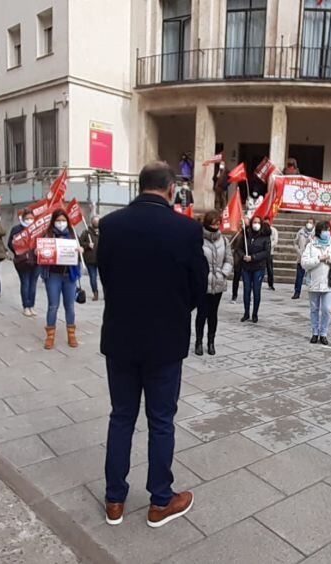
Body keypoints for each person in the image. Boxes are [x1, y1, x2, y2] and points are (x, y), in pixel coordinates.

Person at [97, 161, 207, 529]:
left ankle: (115, 500)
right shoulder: (186, 229)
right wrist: (174, 310)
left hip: (121, 337)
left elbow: (106, 275)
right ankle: (160, 500)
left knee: (121, 417)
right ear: (171, 188)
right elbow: (198, 284)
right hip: (164, 340)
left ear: (140, 186)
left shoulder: (111, 226)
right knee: (161, 421)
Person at [40, 209, 82, 349]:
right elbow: (40, 254)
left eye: (63, 220)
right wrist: (38, 252)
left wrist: (79, 250)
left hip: (69, 275)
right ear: (53, 221)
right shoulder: (47, 235)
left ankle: (71, 335)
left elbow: (79, 255)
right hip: (52, 275)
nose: (61, 223)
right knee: (53, 306)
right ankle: (50, 336)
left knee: (69, 306)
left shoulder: (72, 235)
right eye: (58, 221)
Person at [302, 221, 331, 345]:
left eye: (328, 230)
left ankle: (324, 333)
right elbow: (304, 263)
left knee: (326, 309)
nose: (326, 232)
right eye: (324, 230)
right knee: (314, 309)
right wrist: (318, 259)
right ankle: (315, 332)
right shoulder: (311, 246)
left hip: (329, 283)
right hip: (314, 282)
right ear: (319, 232)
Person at [196, 211, 232, 356]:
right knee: (201, 313)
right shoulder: (199, 239)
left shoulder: (223, 240)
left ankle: (211, 342)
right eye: (213, 223)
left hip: (218, 281)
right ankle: (199, 341)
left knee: (213, 314)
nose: (215, 226)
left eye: (218, 223)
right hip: (203, 282)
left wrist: (223, 273)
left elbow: (229, 259)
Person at [234, 215, 271, 323]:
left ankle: (255, 313)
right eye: (254, 222)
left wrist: (253, 258)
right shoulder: (246, 234)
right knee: (246, 291)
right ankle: (246, 313)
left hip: (258, 267)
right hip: (246, 267)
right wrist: (243, 257)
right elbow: (238, 248)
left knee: (256, 291)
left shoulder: (265, 236)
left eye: (258, 222)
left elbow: (266, 252)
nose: (256, 224)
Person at [8, 210, 40, 317]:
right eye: (27, 218)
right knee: (25, 282)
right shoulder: (17, 229)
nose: (29, 220)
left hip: (36, 260)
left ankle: (31, 305)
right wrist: (19, 251)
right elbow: (10, 243)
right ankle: (26, 306)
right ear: (23, 218)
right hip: (23, 261)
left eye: (31, 218)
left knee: (33, 283)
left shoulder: (38, 229)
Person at [79, 215, 102, 300]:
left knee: (104, 277)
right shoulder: (86, 232)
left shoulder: (103, 231)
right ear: (92, 222)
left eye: (98, 222)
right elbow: (80, 243)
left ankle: (106, 293)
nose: (96, 223)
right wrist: (88, 245)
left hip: (101, 258)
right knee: (93, 277)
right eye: (95, 222)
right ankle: (95, 293)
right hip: (90, 259)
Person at [292, 218, 315, 299]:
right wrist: (298, 251)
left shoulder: (315, 233)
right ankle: (297, 292)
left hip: (311, 258)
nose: (309, 224)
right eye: (308, 222)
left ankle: (313, 292)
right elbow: (295, 242)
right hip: (301, 257)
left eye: (311, 222)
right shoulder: (301, 232)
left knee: (313, 276)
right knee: (299, 276)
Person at [266, 219, 278, 291]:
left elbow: (275, 241)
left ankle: (271, 284)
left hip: (270, 252)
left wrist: (268, 246)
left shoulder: (273, 230)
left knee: (269, 269)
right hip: (261, 253)